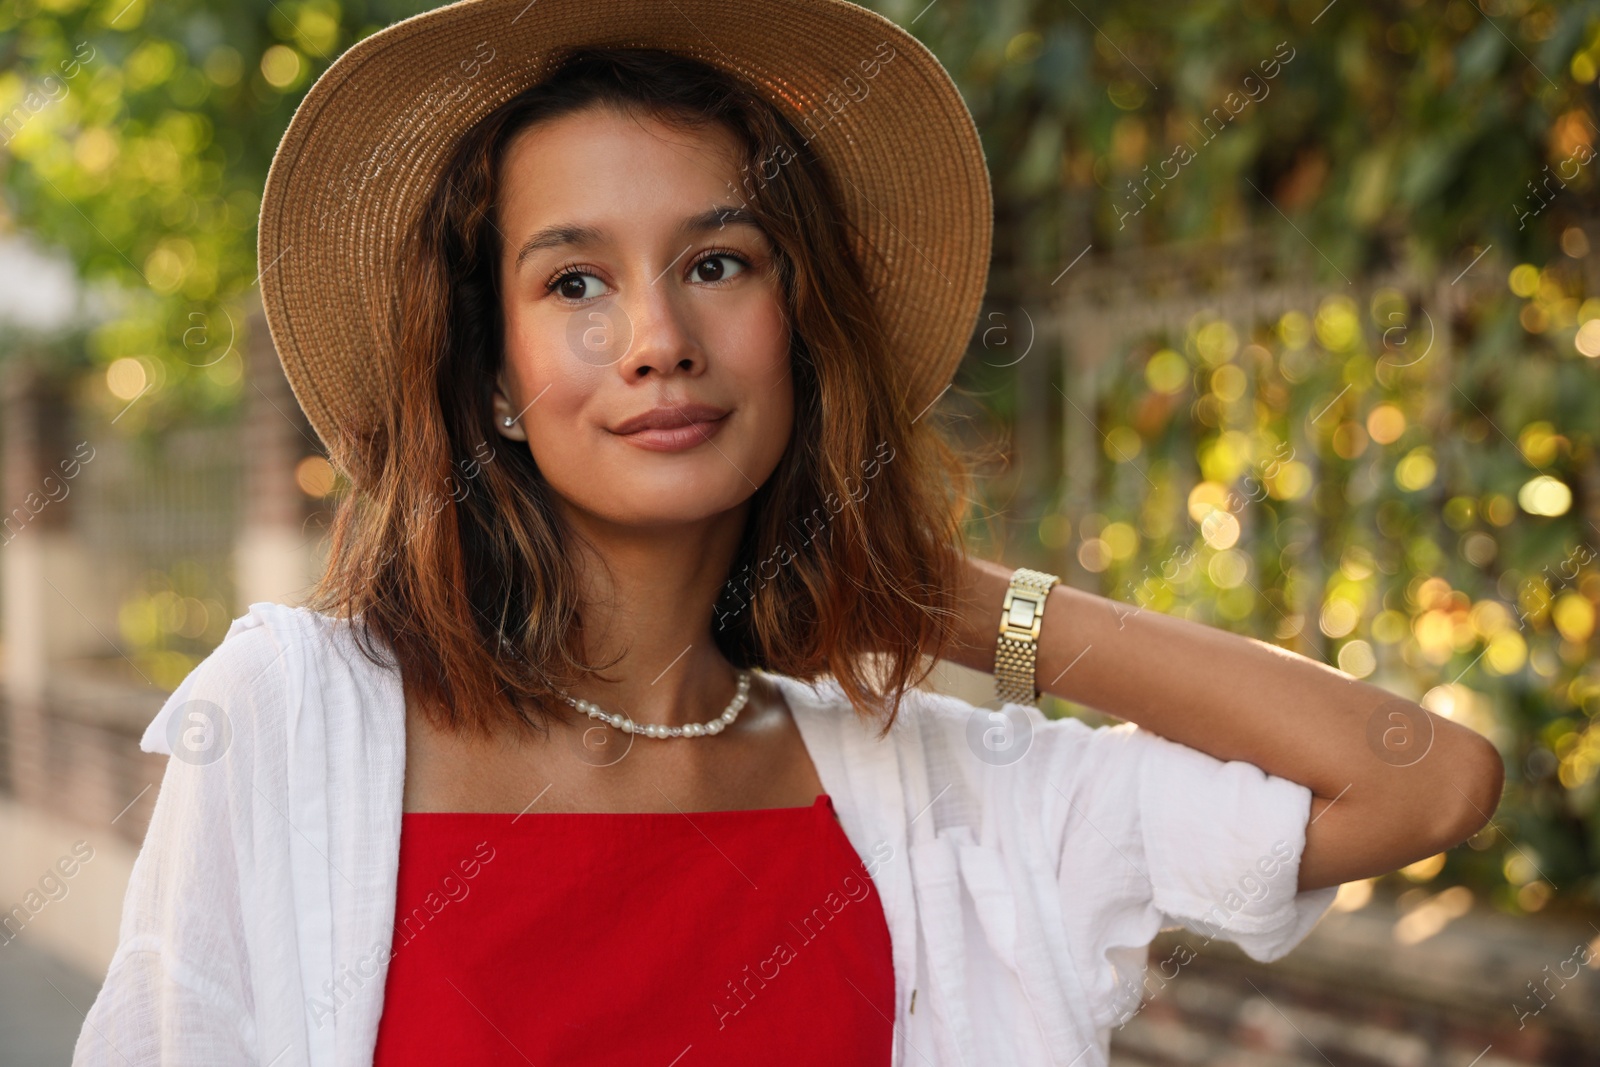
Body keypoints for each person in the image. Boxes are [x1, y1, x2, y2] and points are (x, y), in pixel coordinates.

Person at [71, 1, 1504, 1065]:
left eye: (716, 263)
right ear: (493, 376)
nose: (657, 340)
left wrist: (943, 602)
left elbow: (1423, 783)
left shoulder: (940, 793)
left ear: (797, 330)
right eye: (575, 281)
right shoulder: (297, 722)